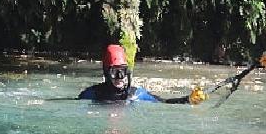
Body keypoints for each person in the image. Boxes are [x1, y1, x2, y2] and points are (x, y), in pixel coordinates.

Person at [78, 44, 207, 104]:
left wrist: (188, 99)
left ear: (128, 72)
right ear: (106, 73)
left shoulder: (136, 94)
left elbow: (164, 102)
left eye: (122, 71)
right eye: (114, 72)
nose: (119, 77)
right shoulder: (93, 94)